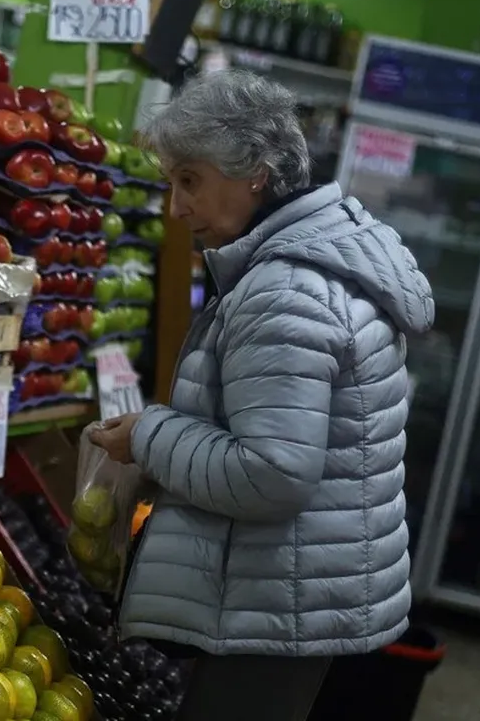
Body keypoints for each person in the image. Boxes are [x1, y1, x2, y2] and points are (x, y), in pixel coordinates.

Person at [88, 69, 435, 721]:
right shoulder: (326, 260)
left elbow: (272, 473)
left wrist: (148, 437)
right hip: (301, 590)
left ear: (253, 171)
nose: (176, 207)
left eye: (189, 180)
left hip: (277, 605)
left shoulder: (284, 291)